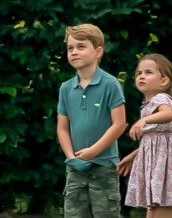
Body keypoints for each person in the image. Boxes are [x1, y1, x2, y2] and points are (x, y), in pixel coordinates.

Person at [57, 23, 126, 218]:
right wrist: (72, 157)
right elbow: (62, 128)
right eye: (70, 48)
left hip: (104, 165)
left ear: (98, 52)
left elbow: (119, 124)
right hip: (75, 168)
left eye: (81, 47)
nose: (74, 52)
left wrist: (92, 152)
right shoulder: (66, 88)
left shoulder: (110, 84)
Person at [117, 54, 172, 218]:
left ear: (164, 81)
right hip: (158, 169)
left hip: (166, 170)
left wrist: (143, 121)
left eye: (148, 72)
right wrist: (134, 155)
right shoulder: (148, 103)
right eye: (139, 73)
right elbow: (155, 141)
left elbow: (168, 115)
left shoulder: (161, 98)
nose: (141, 76)